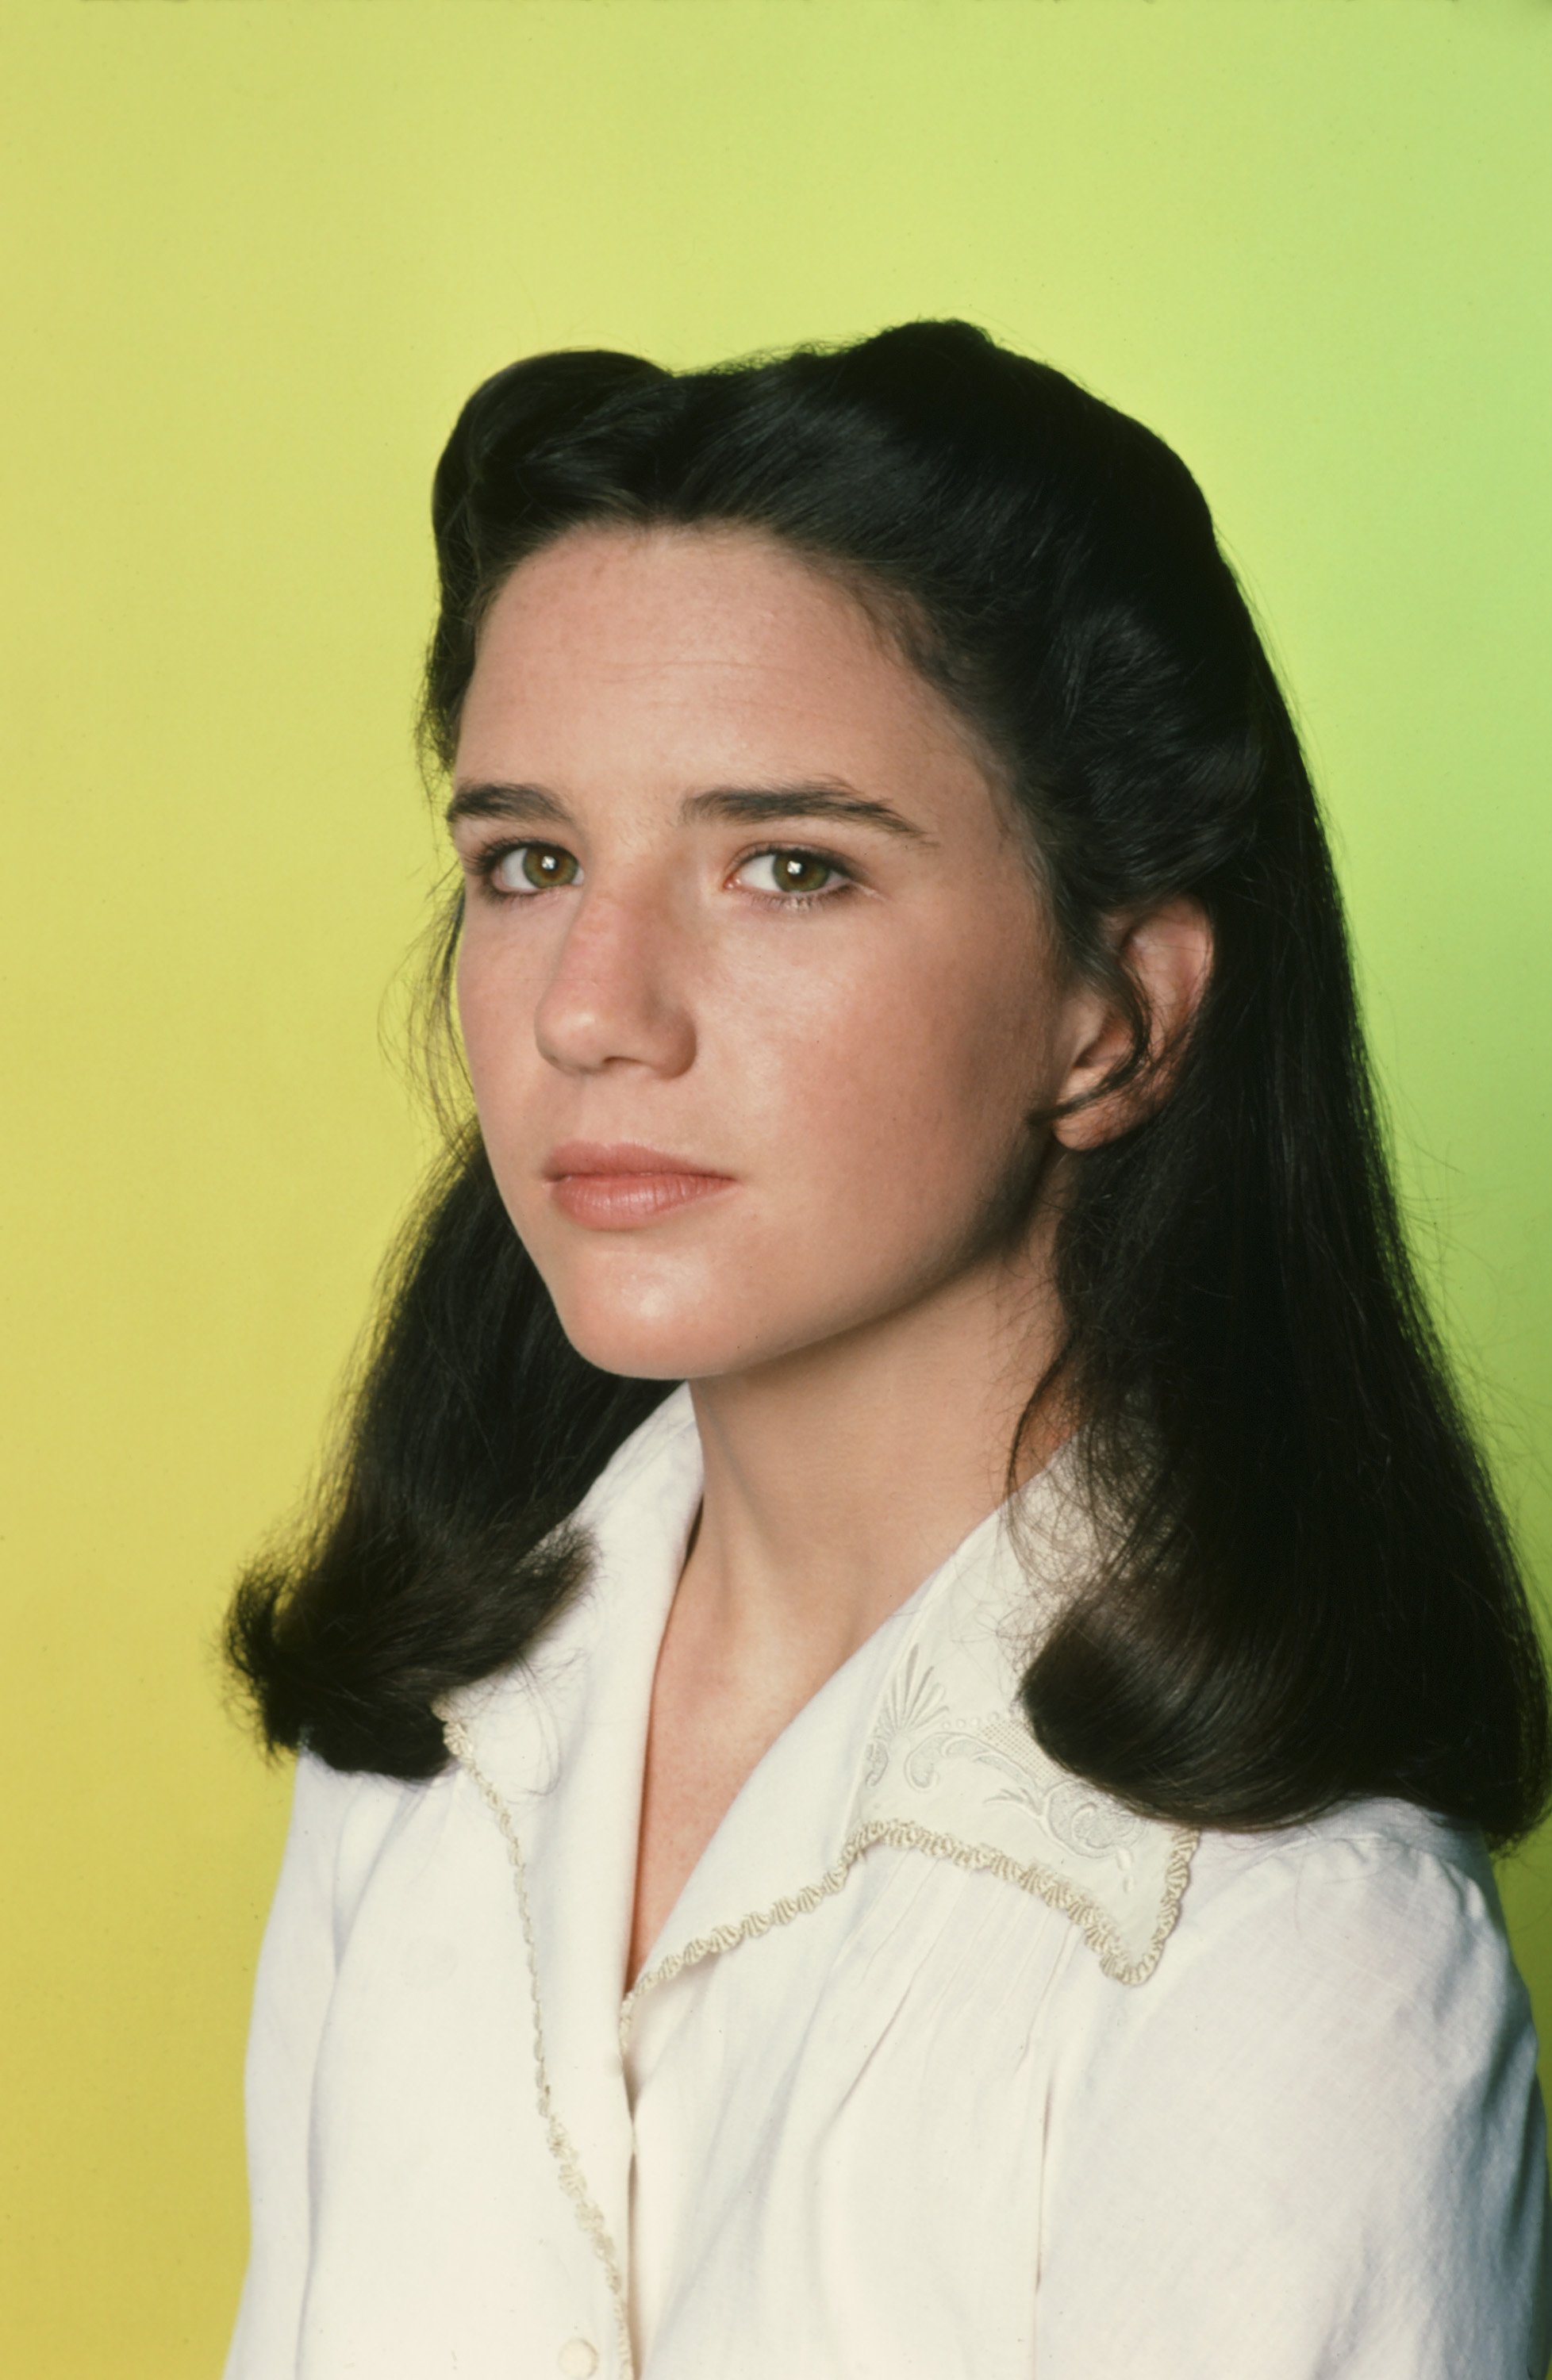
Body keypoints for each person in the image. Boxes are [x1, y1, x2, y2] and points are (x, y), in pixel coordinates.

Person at [222, 321, 1552, 2380]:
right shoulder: (418, 1731)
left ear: (1114, 1011)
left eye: (786, 866)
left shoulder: (1292, 1953)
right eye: (529, 861)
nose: (591, 1007)